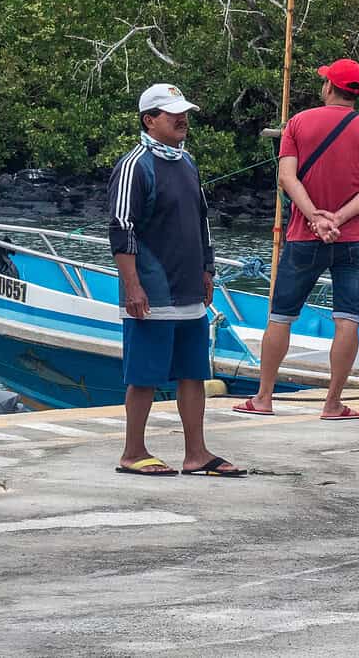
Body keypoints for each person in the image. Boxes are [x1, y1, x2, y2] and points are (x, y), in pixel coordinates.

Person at [234, 58, 359, 420]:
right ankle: (333, 402)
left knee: (280, 316)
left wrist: (315, 217)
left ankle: (263, 398)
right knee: (347, 319)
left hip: (304, 236)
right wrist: (339, 217)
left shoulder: (299, 123)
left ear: (329, 87)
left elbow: (288, 178)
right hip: (353, 237)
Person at [108, 83, 246, 478]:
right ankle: (133, 451)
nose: (181, 119)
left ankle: (196, 453)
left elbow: (201, 222)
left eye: (183, 112)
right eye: (171, 114)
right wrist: (132, 286)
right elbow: (122, 229)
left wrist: (208, 269)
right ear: (150, 120)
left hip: (189, 287)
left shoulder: (187, 162)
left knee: (193, 372)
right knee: (144, 375)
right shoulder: (135, 165)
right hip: (152, 290)